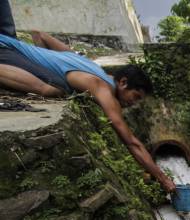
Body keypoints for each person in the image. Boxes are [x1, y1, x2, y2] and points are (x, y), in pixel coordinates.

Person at [0, 0, 175, 193]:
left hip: (10, 41)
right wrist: (163, 178)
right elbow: (131, 142)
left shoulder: (90, 65)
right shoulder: (104, 89)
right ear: (123, 82)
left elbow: (39, 35)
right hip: (5, 50)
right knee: (52, 89)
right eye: (136, 96)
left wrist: (37, 59)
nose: (134, 103)